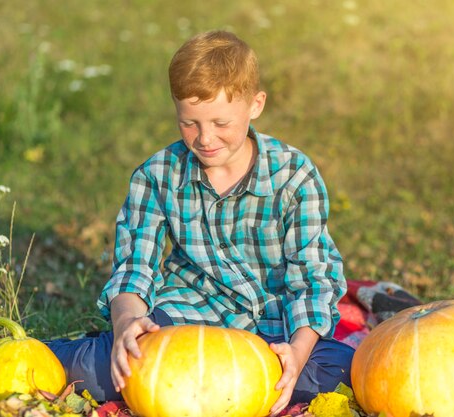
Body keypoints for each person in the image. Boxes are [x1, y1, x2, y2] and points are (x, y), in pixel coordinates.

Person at [48, 30, 354, 416]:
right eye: (189, 123)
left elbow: (314, 278)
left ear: (255, 105)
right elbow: (134, 267)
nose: (205, 138)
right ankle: (52, 352)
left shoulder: (294, 176)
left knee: (345, 372)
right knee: (102, 370)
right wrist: (128, 323)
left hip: (273, 326)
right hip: (188, 314)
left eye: (220, 122)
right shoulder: (158, 174)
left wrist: (296, 351)